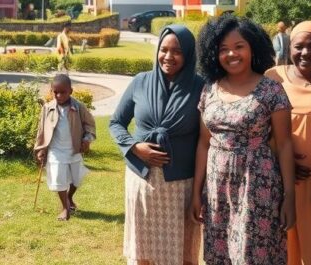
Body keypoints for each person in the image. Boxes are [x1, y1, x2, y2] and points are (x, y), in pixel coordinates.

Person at [191, 13, 295, 265]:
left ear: (253, 48)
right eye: (223, 49)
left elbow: (284, 145)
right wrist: (197, 192)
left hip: (257, 185)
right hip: (218, 188)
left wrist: (290, 196)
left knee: (253, 254)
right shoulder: (210, 89)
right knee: (220, 254)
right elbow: (204, 143)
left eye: (239, 47)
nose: (231, 54)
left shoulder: (271, 90)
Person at [109, 24, 203, 265]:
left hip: (181, 186)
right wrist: (133, 147)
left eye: (177, 51)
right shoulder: (141, 82)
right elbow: (116, 122)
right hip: (142, 181)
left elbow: (206, 139)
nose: (168, 57)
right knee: (143, 251)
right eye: (164, 50)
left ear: (189, 54)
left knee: (181, 252)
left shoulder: (200, 88)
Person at [265, 21, 311, 265]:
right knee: (284, 251)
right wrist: (282, 164)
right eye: (299, 46)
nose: (305, 52)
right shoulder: (274, 77)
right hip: (280, 181)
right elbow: (261, 129)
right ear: (289, 48)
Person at [34, 73, 96, 221]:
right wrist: (41, 148)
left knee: (77, 179)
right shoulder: (47, 108)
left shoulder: (79, 107)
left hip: (74, 149)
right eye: (55, 92)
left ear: (71, 91)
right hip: (56, 150)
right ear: (51, 91)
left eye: (63, 92)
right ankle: (65, 208)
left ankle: (69, 197)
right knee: (58, 178)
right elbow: (42, 130)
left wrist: (87, 139)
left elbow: (90, 125)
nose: (59, 95)